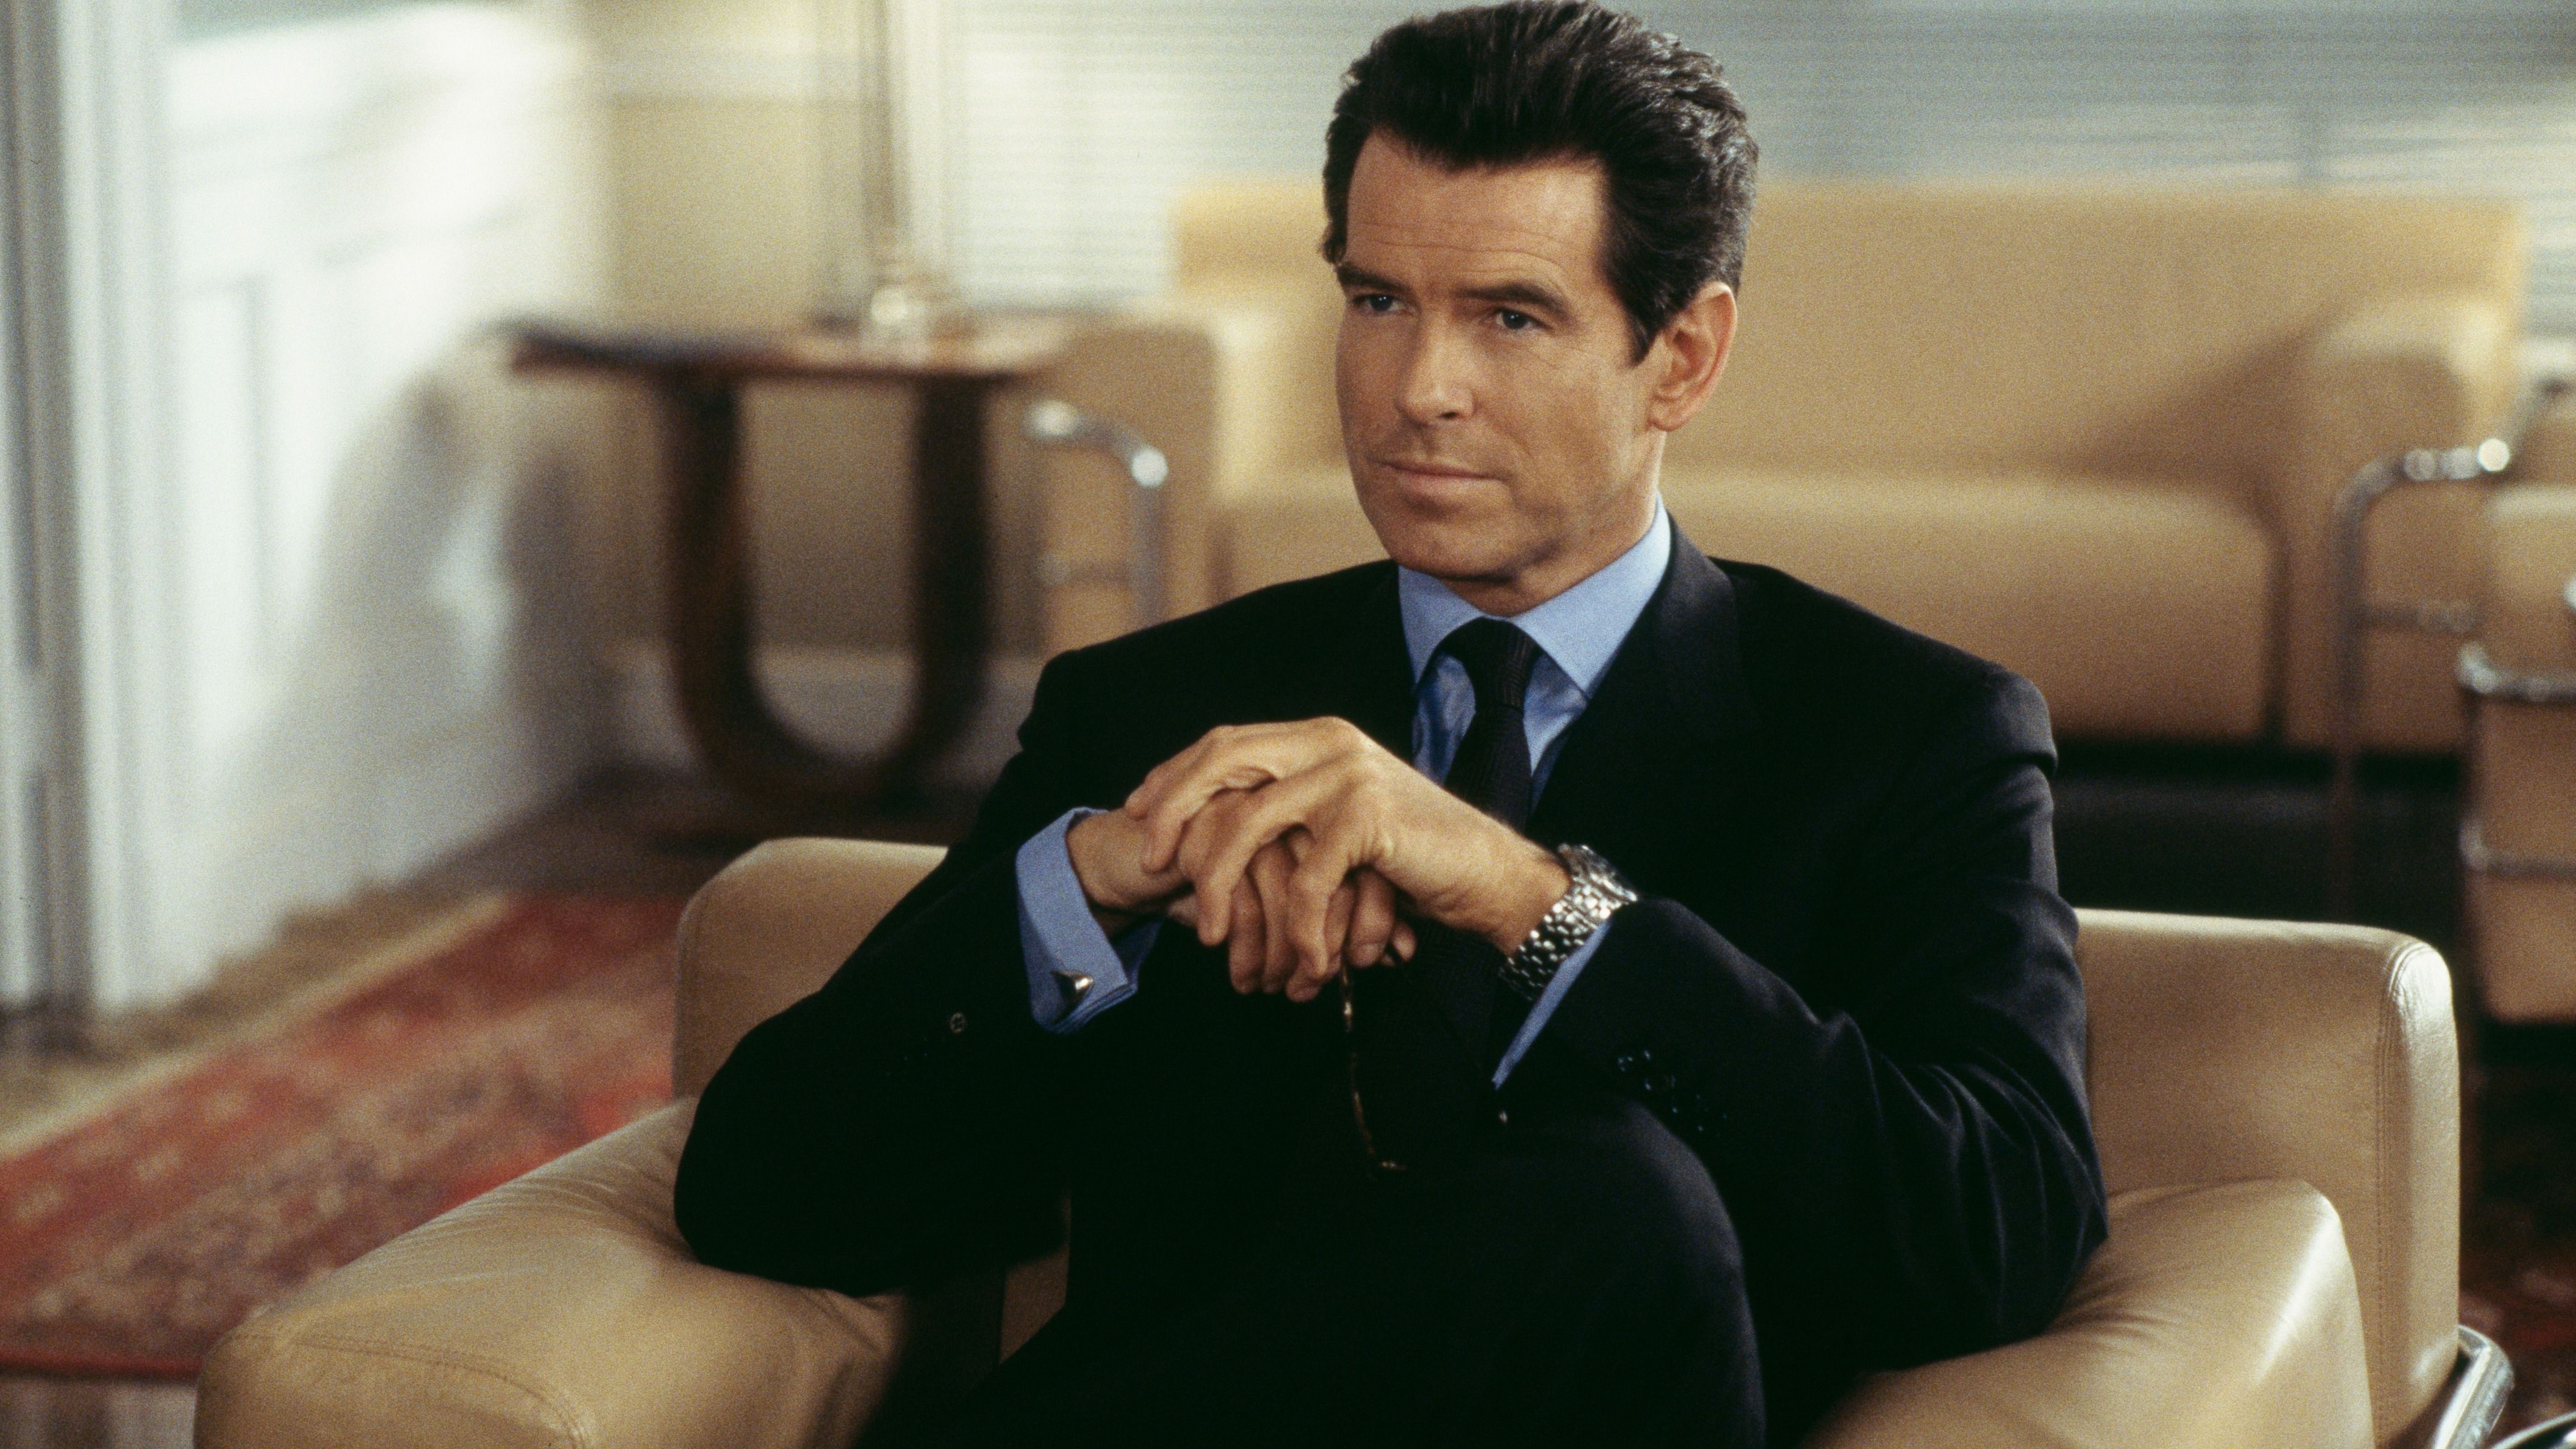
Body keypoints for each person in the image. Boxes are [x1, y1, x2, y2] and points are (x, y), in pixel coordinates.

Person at [674, 4, 2107, 1445]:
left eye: (1510, 317)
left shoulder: (1908, 735)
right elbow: (763, 1197)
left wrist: (1528, 899)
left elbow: (1997, 1235)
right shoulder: (1156, 712)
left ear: (1681, 355)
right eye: (1377, 303)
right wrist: (1095, 881)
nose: (1419, 391)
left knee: (1617, 1203)